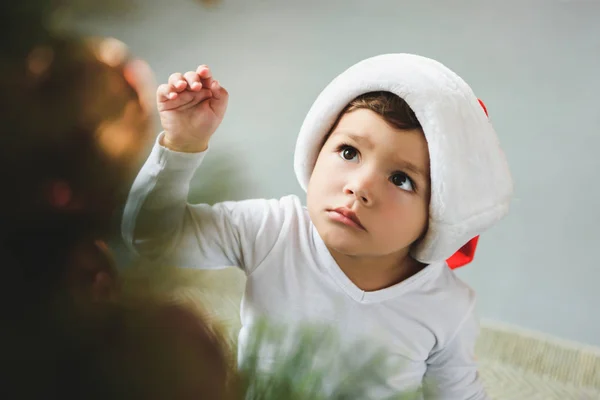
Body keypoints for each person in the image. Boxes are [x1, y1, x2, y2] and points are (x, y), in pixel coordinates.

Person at [122, 54, 513, 398]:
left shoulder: (446, 307)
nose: (359, 187)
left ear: (440, 210)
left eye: (401, 179)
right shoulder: (272, 231)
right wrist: (182, 144)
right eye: (349, 152)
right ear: (317, 147)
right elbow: (154, 236)